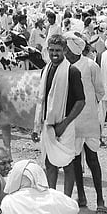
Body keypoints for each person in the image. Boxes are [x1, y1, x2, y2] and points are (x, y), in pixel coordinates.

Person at [64, 32, 107, 214]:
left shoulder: (91, 66)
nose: (65, 52)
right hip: (71, 122)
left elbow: (99, 91)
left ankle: (100, 199)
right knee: (75, 160)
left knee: (92, 159)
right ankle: (81, 196)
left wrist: (89, 108)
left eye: (67, 49)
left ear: (74, 51)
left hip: (88, 121)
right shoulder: (64, 67)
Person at [34, 34, 85, 196]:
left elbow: (81, 101)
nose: (54, 54)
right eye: (51, 50)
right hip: (48, 125)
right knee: (50, 163)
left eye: (58, 50)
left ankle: (66, 199)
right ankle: (51, 198)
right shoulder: (45, 70)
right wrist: (36, 127)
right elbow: (41, 100)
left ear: (64, 50)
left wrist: (65, 123)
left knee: (68, 164)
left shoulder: (72, 71)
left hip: (66, 125)